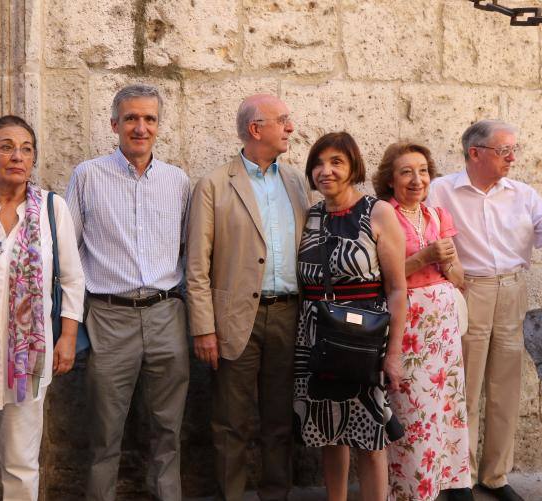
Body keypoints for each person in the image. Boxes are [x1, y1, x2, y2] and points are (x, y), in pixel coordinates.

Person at [426, 119, 542, 501]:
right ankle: (460, 478)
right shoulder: (441, 191)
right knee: (464, 387)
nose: (512, 158)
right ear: (475, 153)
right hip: (467, 290)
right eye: (503, 150)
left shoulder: (522, 193)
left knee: (506, 388)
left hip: (512, 291)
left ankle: (495, 477)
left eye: (513, 150)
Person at [0, 115, 85, 500]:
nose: (16, 156)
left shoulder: (52, 211)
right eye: (5, 146)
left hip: (29, 355)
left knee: (22, 462)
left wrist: (68, 337)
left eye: (25, 148)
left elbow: (73, 279)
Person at [65, 84, 190, 501]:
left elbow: (188, 252)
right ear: (114, 123)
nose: (141, 127)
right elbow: (69, 254)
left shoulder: (178, 182)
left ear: (159, 126)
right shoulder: (87, 176)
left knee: (168, 430)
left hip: (166, 314)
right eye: (132, 118)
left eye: (149, 119)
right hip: (108, 316)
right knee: (104, 432)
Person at [186, 93, 308, 500]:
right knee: (230, 422)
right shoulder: (214, 185)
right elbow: (197, 266)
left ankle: (276, 494)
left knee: (279, 420)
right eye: (283, 120)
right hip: (237, 319)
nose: (290, 127)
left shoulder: (294, 181)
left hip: (288, 316)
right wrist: (204, 328)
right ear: (257, 129)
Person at [293, 132, 407, 501]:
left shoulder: (378, 212)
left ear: (353, 166)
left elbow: (397, 288)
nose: (326, 171)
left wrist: (392, 354)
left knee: (370, 434)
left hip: (363, 338)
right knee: (329, 430)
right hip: (315, 336)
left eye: (336, 162)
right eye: (319, 163)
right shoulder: (310, 216)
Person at [372, 142, 473, 501]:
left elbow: (459, 275)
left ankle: (445, 483)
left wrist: (449, 266)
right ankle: (411, 491)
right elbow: (381, 279)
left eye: (423, 171)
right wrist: (424, 257)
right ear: (390, 179)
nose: (417, 180)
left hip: (442, 328)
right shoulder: (384, 215)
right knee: (412, 410)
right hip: (409, 325)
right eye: (406, 172)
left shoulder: (437, 215)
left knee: (444, 407)